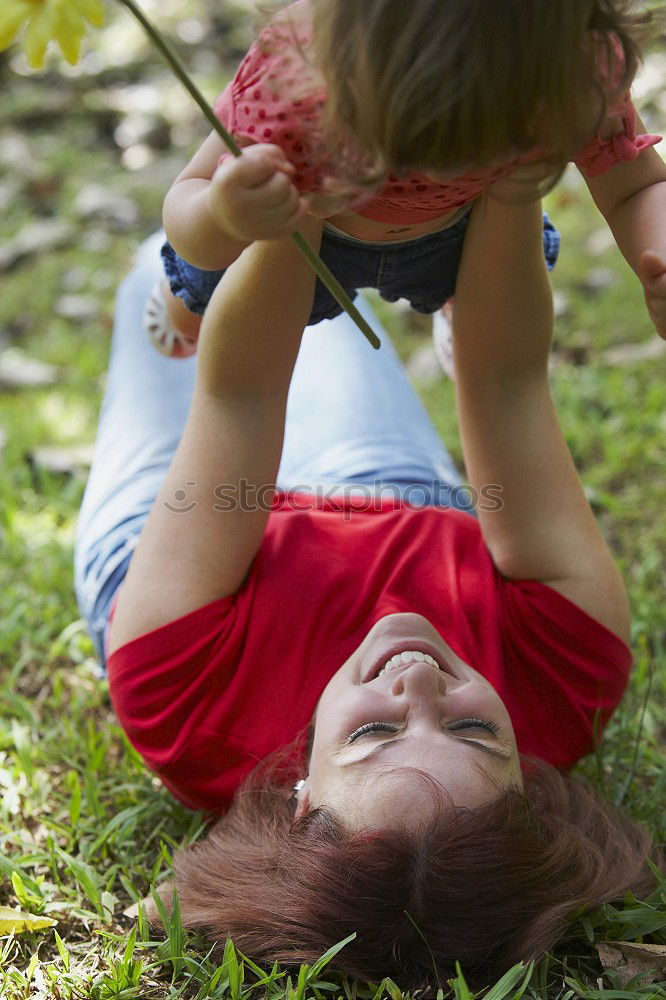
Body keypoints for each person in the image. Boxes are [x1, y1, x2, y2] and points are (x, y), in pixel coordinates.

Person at [74, 186, 661, 991]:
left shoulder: (185, 703)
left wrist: (300, 179)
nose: (418, 680)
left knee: (176, 268)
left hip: (175, 550)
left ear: (302, 800)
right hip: (395, 500)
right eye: (477, 733)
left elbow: (237, 393)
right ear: (526, 779)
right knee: (334, 259)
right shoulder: (571, 673)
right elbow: (509, 382)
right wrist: (515, 168)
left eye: (374, 735)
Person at [146, 0, 666, 359]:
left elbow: (636, 187)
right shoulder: (298, 68)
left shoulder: (567, 69)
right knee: (200, 309)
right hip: (303, 235)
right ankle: (183, 304)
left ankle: (455, 303)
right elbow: (187, 199)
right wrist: (223, 214)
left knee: (497, 318)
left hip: (454, 235)